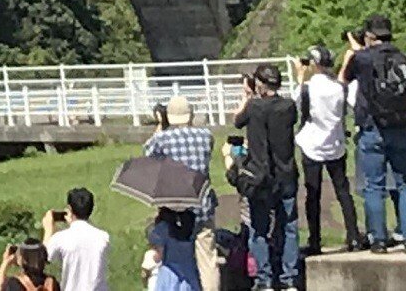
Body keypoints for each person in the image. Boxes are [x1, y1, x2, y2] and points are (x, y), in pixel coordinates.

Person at [342, 14, 406, 248]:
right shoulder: (403, 58)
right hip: (400, 125)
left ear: (369, 35)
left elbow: (345, 78)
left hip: (371, 125)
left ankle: (378, 238)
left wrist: (354, 51)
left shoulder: (362, 58)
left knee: (374, 185)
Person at [232, 64, 301, 288]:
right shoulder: (288, 106)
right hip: (286, 173)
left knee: (259, 228)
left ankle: (264, 280)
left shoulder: (253, 107)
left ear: (260, 84)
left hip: (260, 176)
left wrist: (247, 96)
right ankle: (289, 278)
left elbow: (237, 121)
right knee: (289, 227)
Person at [294, 43, 360, 254]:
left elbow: (296, 104)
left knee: (313, 194)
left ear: (314, 64)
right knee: (343, 191)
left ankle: (315, 240)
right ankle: (354, 235)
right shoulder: (339, 88)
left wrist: (299, 77)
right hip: (336, 143)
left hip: (312, 145)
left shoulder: (308, 88)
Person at [146, 95, 219, 226]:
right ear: (191, 115)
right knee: (205, 242)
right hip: (202, 205)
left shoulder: (161, 138)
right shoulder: (206, 136)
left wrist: (161, 125)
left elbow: (149, 156)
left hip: (174, 207)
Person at [45, 185, 112, 291]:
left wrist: (49, 228)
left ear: (69, 209)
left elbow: (44, 257)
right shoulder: (104, 237)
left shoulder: (61, 238)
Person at [143, 209, 203, 291]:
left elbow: (159, 255)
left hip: (170, 272)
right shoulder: (191, 225)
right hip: (189, 270)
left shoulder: (162, 228)